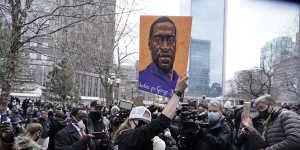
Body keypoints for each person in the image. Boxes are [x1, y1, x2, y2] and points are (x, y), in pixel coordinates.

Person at [113, 76, 188, 150]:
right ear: (130, 120)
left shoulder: (149, 139)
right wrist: (177, 92)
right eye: (140, 121)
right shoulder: (126, 136)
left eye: (146, 123)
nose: (142, 126)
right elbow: (161, 122)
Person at [139, 16, 179, 98]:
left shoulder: (179, 82)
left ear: (176, 44)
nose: (165, 47)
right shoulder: (143, 78)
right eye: (158, 40)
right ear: (149, 44)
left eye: (170, 40)